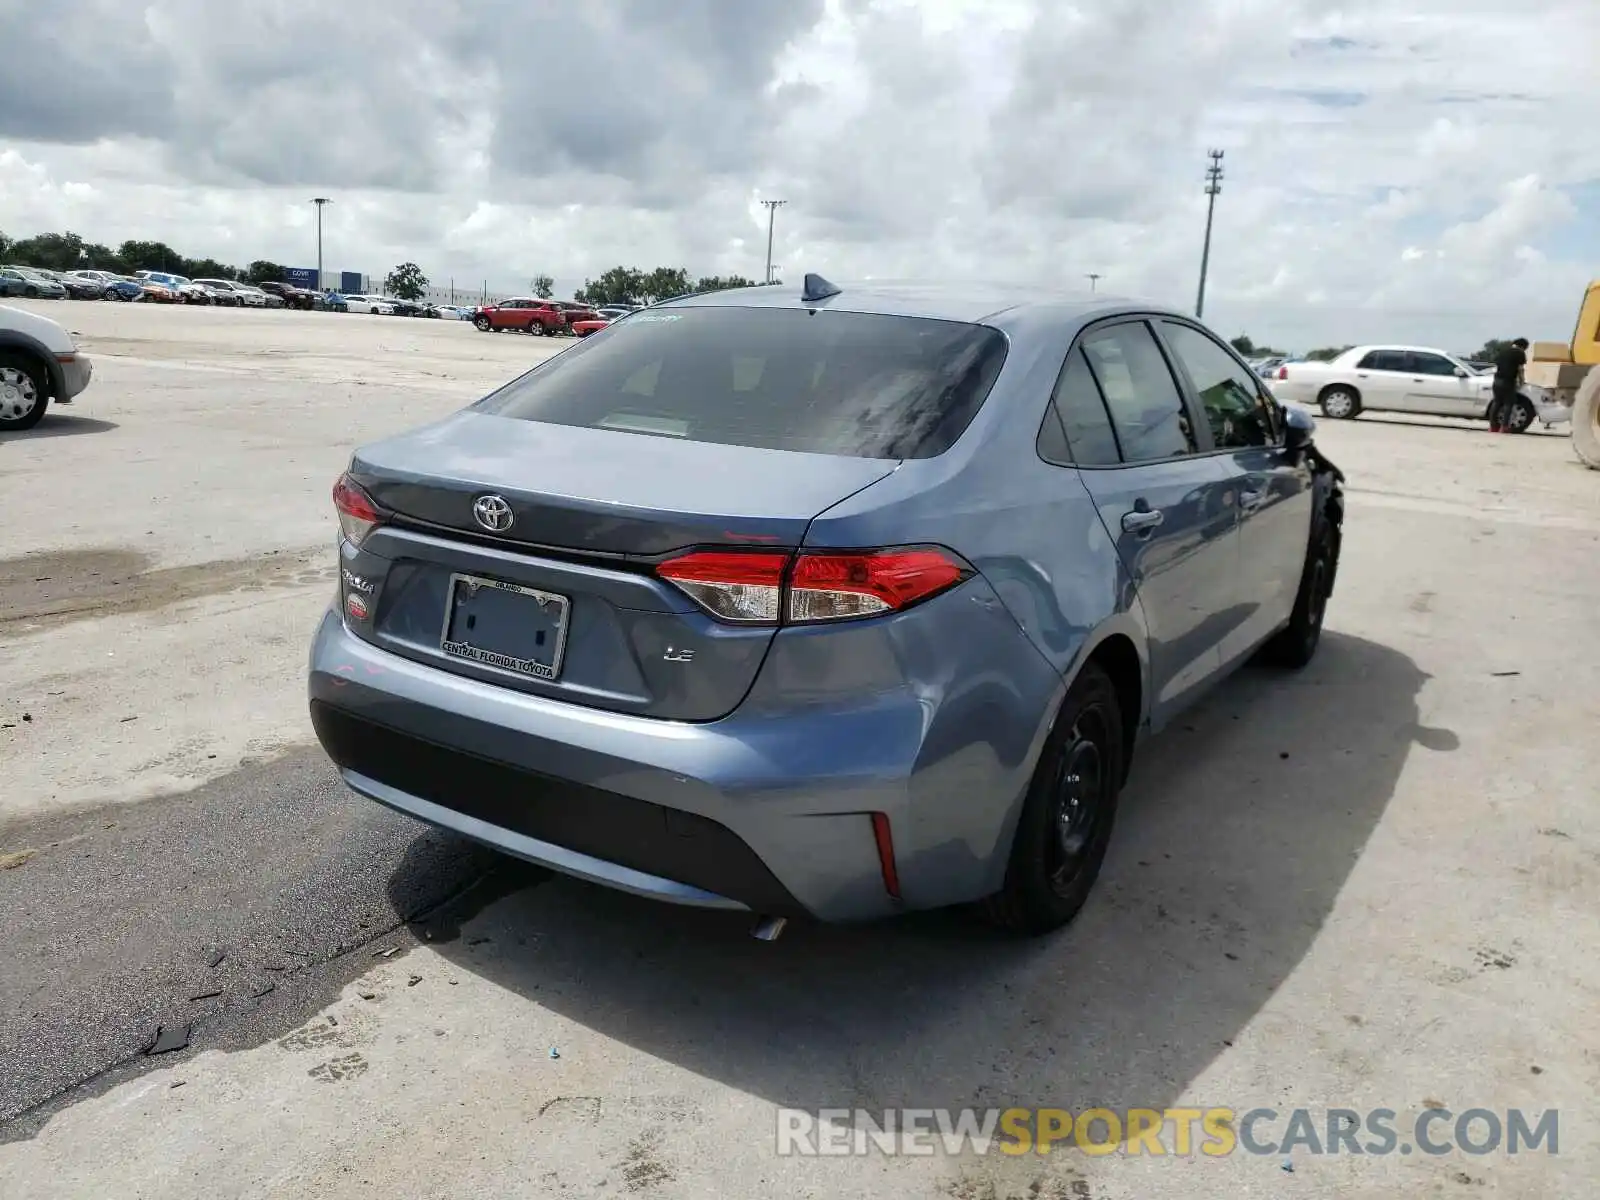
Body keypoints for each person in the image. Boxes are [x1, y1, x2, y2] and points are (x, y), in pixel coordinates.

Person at [1488, 338, 1529, 432]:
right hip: (1508, 381)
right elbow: (1520, 369)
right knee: (1508, 404)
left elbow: (1496, 365)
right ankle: (1504, 427)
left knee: (1496, 403)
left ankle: (1493, 427)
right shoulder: (1519, 353)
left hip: (1497, 380)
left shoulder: (1503, 351)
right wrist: (1522, 381)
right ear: (1523, 346)